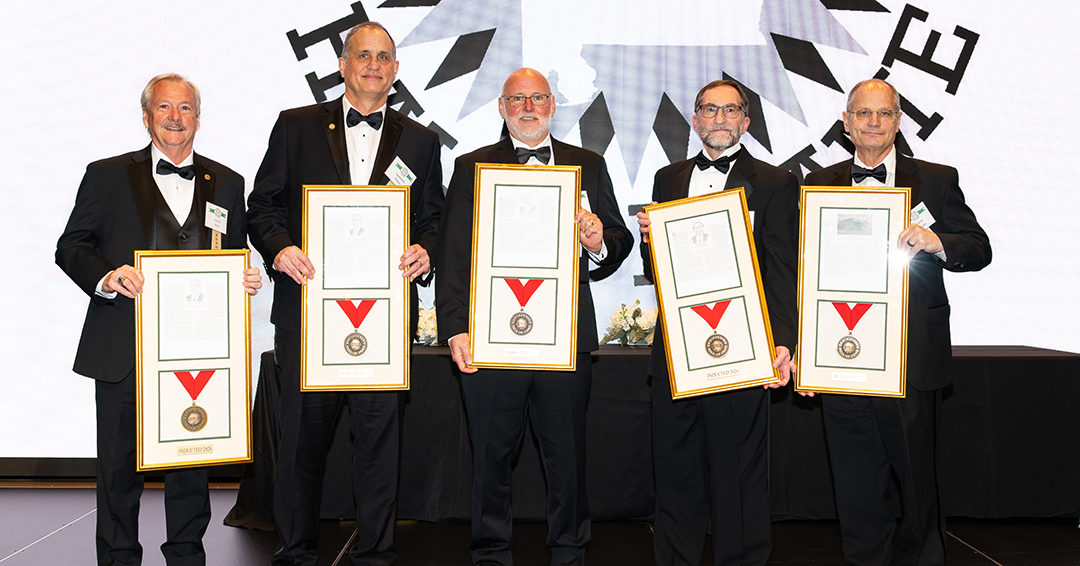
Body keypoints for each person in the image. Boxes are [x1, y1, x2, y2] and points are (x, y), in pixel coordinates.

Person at [245, 21, 443, 566]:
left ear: (396, 71)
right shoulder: (295, 126)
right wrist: (281, 249)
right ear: (342, 63)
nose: (373, 65)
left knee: (380, 444)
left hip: (382, 319)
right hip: (308, 316)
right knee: (302, 446)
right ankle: (295, 551)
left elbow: (433, 219)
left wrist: (426, 250)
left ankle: (377, 554)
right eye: (363, 55)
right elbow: (260, 206)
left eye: (384, 57)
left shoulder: (423, 142)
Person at [56, 73, 261, 566]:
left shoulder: (228, 182)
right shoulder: (106, 176)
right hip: (125, 346)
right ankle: (119, 555)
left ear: (198, 117)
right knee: (119, 468)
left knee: (191, 462)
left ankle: (188, 553)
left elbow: (230, 255)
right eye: (164, 108)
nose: (175, 117)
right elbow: (71, 247)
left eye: (185, 108)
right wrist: (107, 276)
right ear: (146, 116)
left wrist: (245, 277)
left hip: (198, 350)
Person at [435, 67, 633, 566]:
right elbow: (454, 252)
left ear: (552, 105)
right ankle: (490, 554)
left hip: (565, 338)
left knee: (566, 456)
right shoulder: (469, 166)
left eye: (538, 97)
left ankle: (570, 551)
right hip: (489, 337)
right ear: (502, 108)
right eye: (517, 99)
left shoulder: (587, 163)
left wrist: (597, 241)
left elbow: (618, 239)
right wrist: (455, 326)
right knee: (491, 457)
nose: (528, 107)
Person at [804, 78, 991, 566]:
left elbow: (979, 249)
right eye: (862, 113)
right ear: (845, 123)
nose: (872, 122)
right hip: (839, 356)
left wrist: (937, 242)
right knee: (854, 481)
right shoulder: (815, 184)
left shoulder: (936, 178)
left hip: (912, 359)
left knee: (917, 482)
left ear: (898, 122)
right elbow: (798, 269)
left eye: (883, 114)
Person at [635, 79, 799, 566]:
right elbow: (661, 271)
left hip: (744, 347)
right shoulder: (668, 178)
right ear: (695, 119)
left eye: (731, 110)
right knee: (675, 470)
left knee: (739, 475)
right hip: (678, 350)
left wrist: (783, 342)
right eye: (710, 109)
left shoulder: (775, 182)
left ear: (746, 122)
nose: (720, 118)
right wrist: (651, 239)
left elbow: (783, 269)